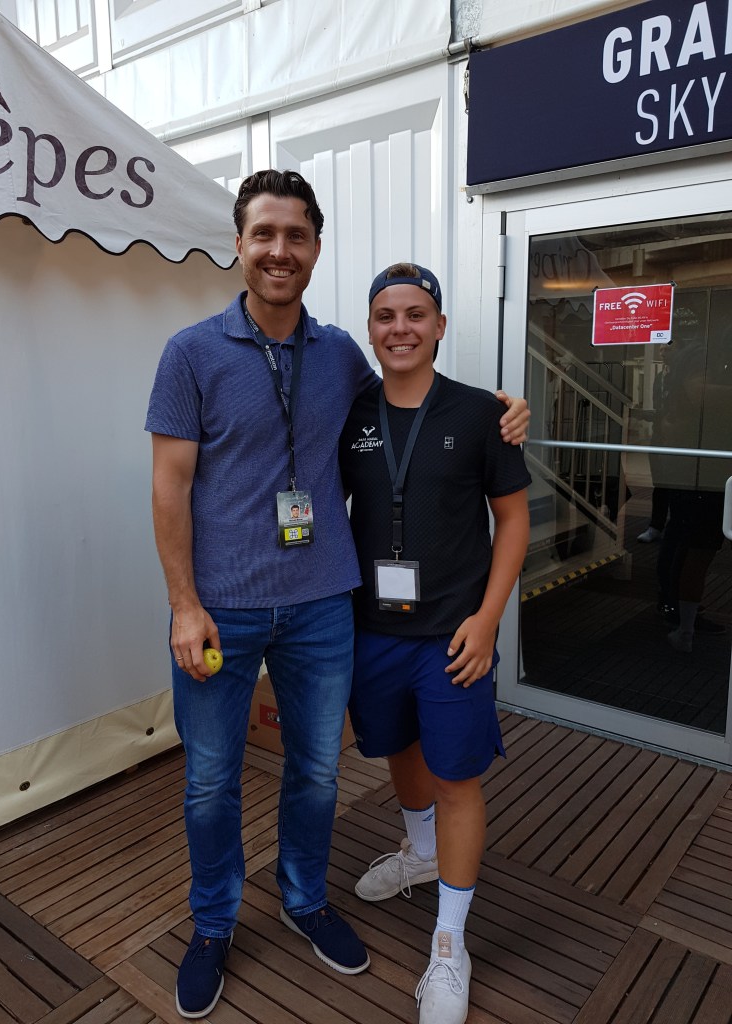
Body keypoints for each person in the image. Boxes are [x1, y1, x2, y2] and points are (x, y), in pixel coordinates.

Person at [145, 170, 529, 1019]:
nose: (279, 250)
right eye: (264, 233)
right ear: (239, 245)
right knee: (211, 780)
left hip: (325, 604)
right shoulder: (191, 353)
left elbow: (410, 403)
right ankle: (213, 925)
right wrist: (184, 603)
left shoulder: (342, 356)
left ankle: (304, 897)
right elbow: (169, 488)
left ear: (316, 248)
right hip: (221, 607)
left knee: (316, 772)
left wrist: (501, 410)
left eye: (296, 235)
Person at [339, 263, 531, 1024]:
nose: (401, 328)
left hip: (454, 636)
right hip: (372, 631)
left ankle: (450, 943)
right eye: (385, 316)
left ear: (440, 325)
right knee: (399, 750)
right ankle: (419, 851)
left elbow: (513, 521)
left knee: (456, 778)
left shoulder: (483, 413)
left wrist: (488, 620)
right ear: (370, 329)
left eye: (416, 314)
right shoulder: (350, 413)